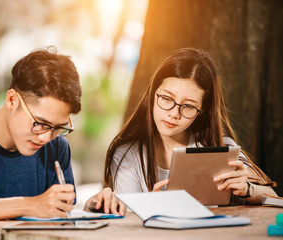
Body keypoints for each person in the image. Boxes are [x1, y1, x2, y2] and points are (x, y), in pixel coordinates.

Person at [0, 46, 125, 240]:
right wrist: (30, 205)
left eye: (58, 127)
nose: (46, 137)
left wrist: (90, 213)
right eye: (40, 124)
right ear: (12, 100)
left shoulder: (57, 148)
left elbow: (56, 223)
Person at [104, 48, 277, 205]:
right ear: (152, 94)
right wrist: (152, 206)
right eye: (167, 99)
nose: (174, 113)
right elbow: (129, 221)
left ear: (201, 111)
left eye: (188, 106)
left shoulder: (218, 147)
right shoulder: (127, 153)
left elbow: (273, 197)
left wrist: (247, 189)